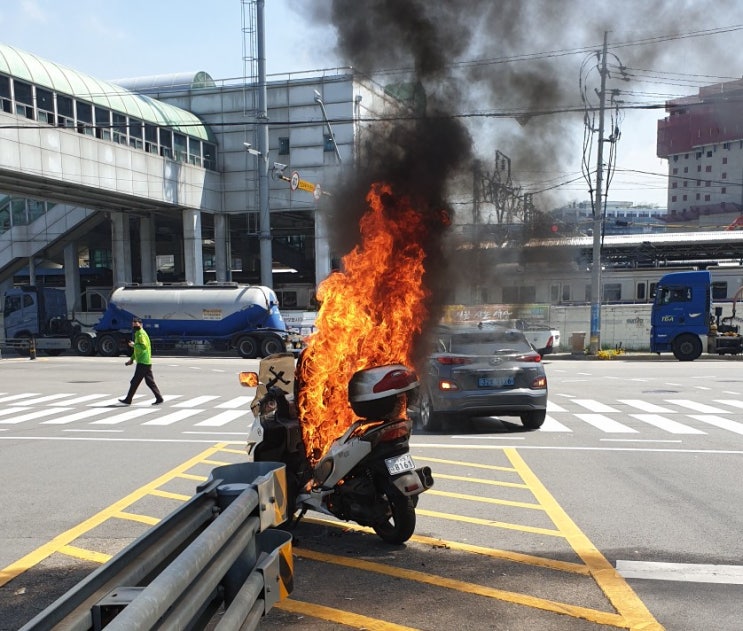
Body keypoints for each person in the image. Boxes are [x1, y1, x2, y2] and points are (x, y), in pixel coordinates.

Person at [119, 317, 164, 405]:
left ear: (141, 325)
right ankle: (159, 398)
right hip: (145, 361)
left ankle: (128, 400)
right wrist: (132, 359)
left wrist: (134, 345)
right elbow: (137, 350)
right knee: (149, 382)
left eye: (137, 325)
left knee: (135, 381)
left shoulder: (141, 334)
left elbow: (143, 347)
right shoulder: (139, 333)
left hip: (143, 362)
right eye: (134, 326)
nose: (135, 327)